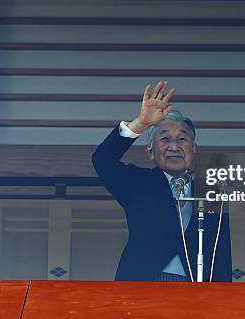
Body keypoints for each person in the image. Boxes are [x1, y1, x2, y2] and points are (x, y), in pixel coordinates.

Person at [92, 81, 232, 282]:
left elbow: (221, 251)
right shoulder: (138, 184)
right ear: (150, 151)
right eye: (165, 139)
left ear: (194, 150)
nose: (174, 146)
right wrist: (141, 123)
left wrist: (225, 301)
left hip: (197, 289)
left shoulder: (212, 191)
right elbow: (102, 160)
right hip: (143, 284)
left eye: (182, 139)